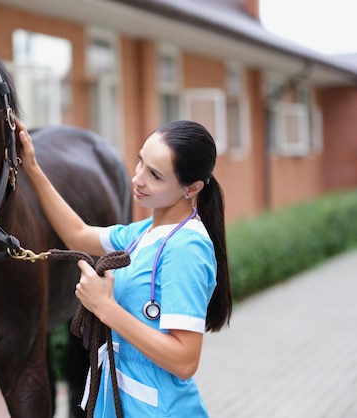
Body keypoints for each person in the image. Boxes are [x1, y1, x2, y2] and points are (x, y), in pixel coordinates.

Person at [15, 118, 232, 417]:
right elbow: (77, 233)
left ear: (191, 188)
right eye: (140, 162)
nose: (138, 179)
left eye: (155, 175)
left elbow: (184, 360)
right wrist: (32, 167)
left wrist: (105, 307)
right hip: (121, 402)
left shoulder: (186, 249)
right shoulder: (142, 233)